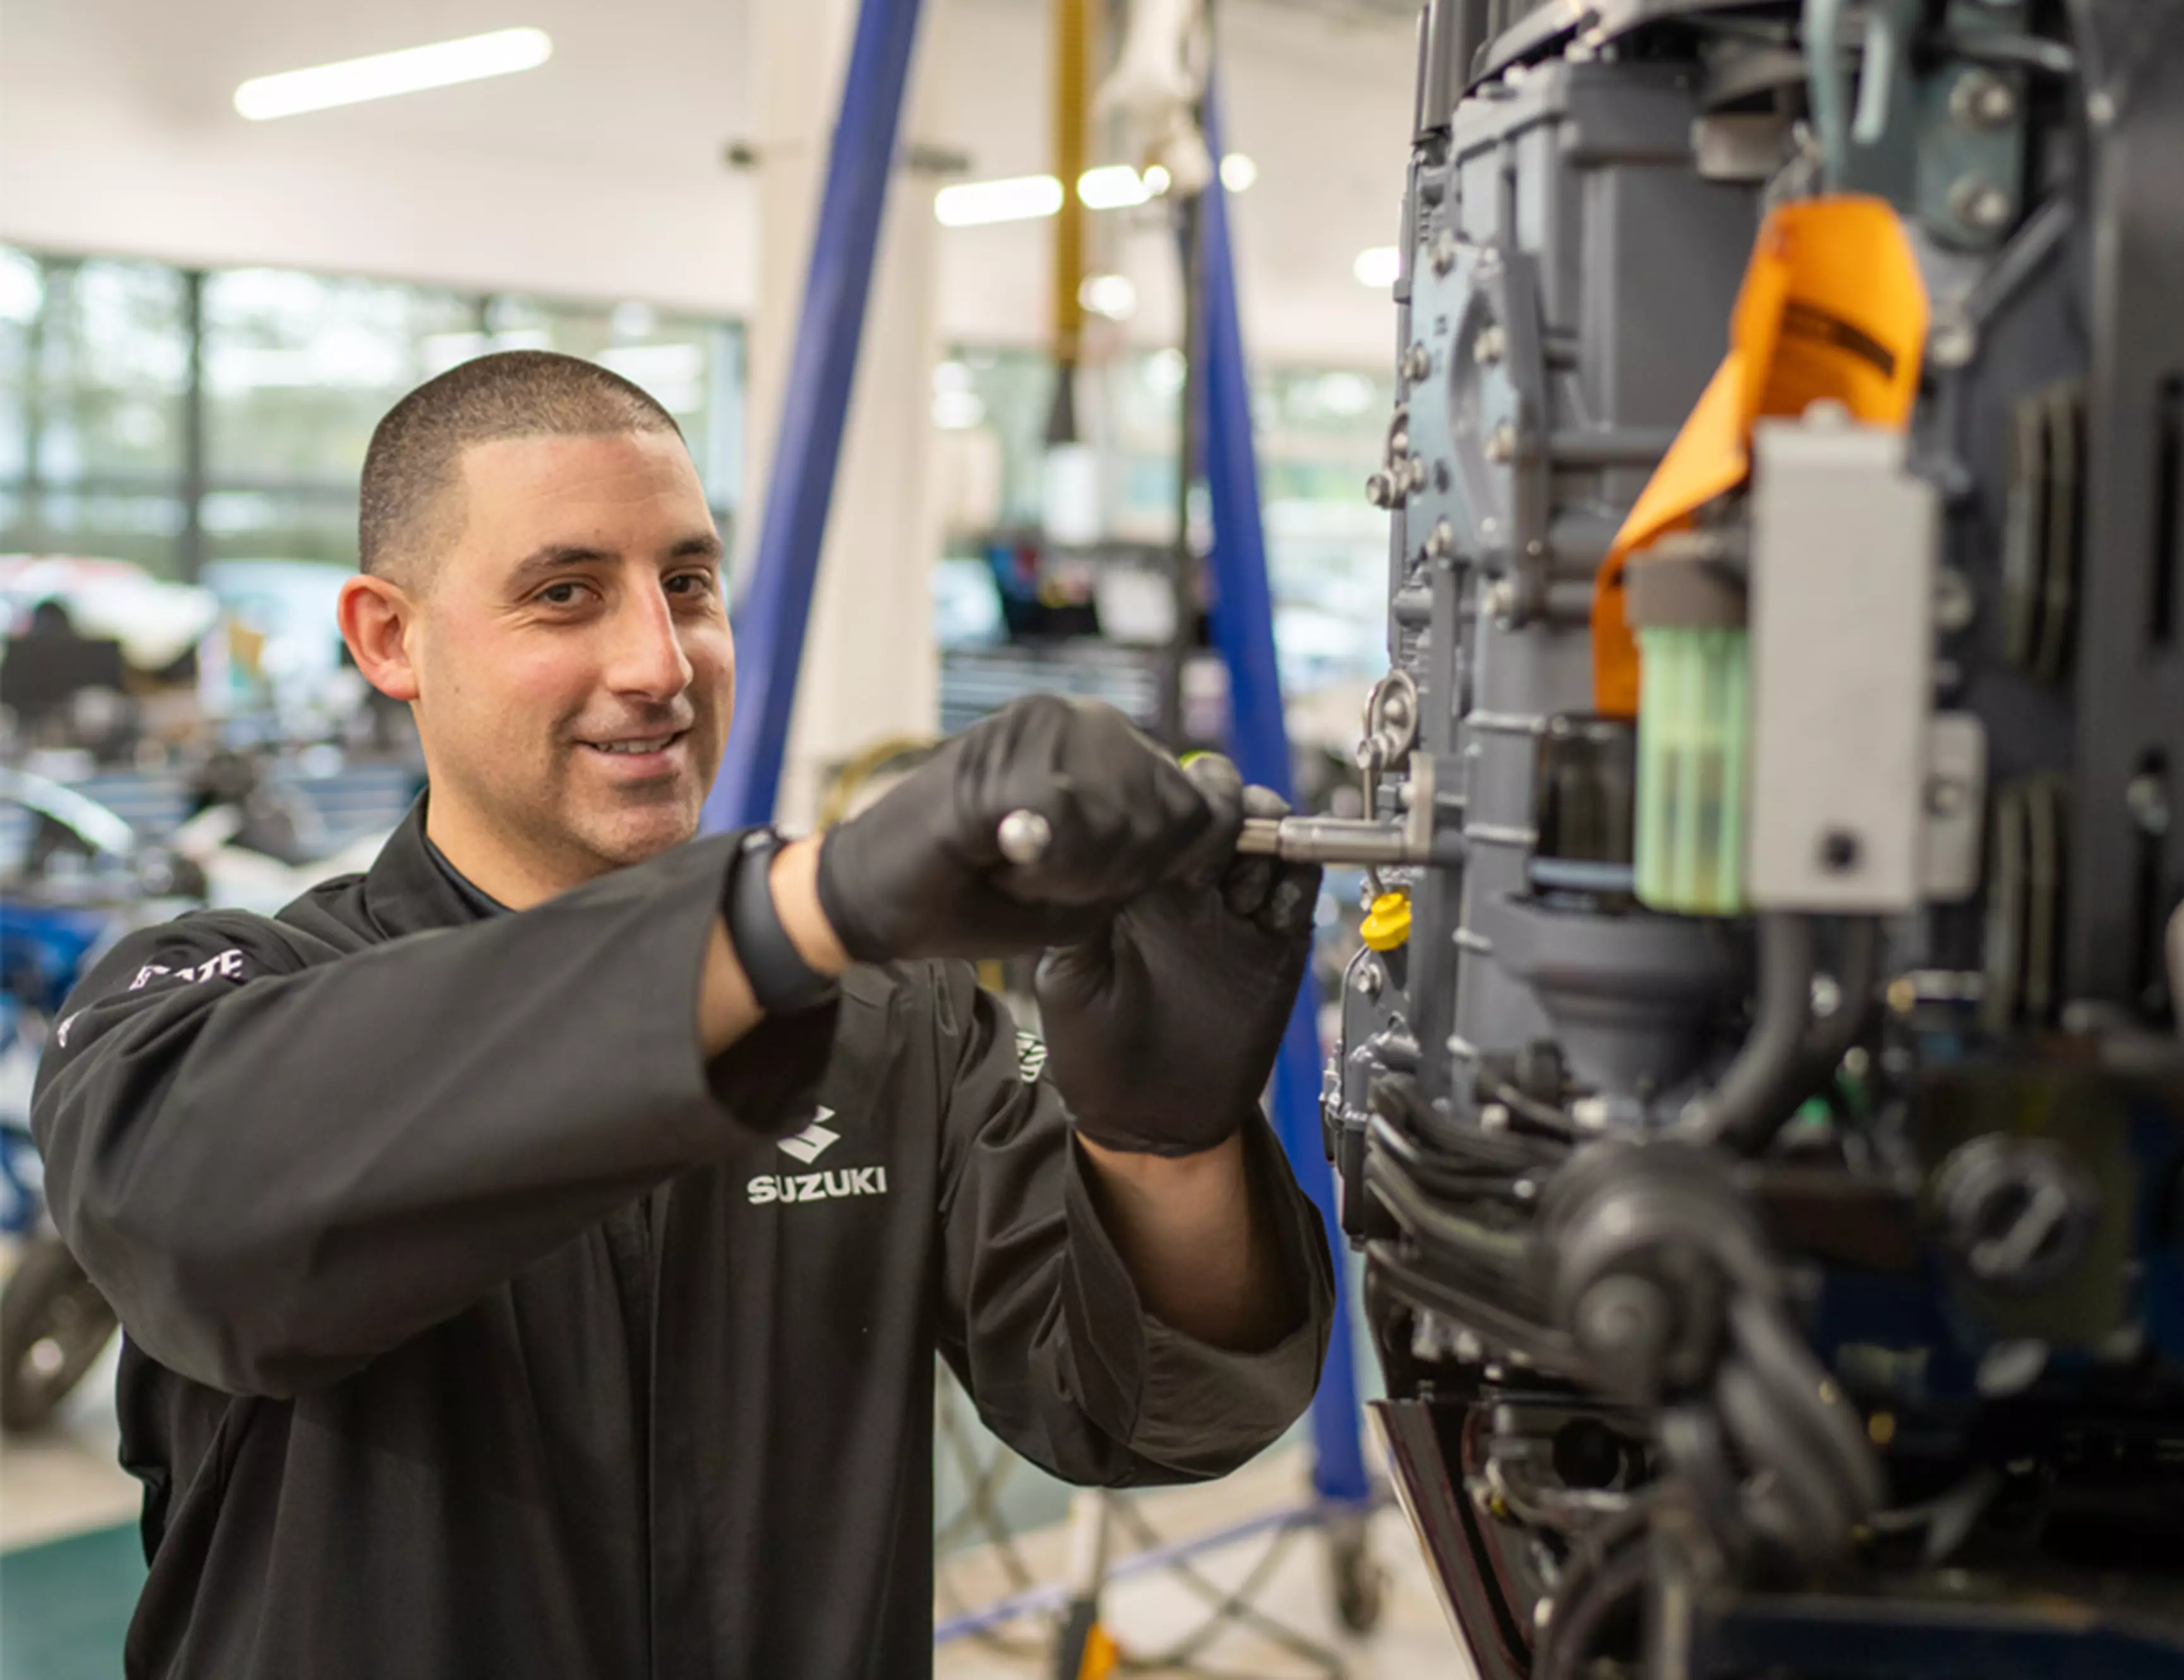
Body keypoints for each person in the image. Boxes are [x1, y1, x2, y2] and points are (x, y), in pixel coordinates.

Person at [32, 351, 1335, 1679]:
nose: (660, 662)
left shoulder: (900, 1025)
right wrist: (801, 904)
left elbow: (1141, 1417)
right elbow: (213, 1229)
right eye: (564, 595)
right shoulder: (211, 1001)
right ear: (388, 638)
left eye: (689, 587)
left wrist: (1169, 1146)